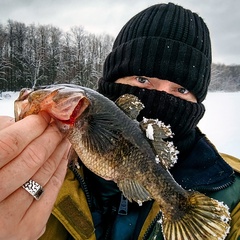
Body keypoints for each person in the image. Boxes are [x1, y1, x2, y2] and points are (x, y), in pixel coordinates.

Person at [0, 2, 240, 240]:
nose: (162, 97)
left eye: (181, 89)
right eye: (143, 79)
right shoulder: (27, 163)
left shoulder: (232, 191)